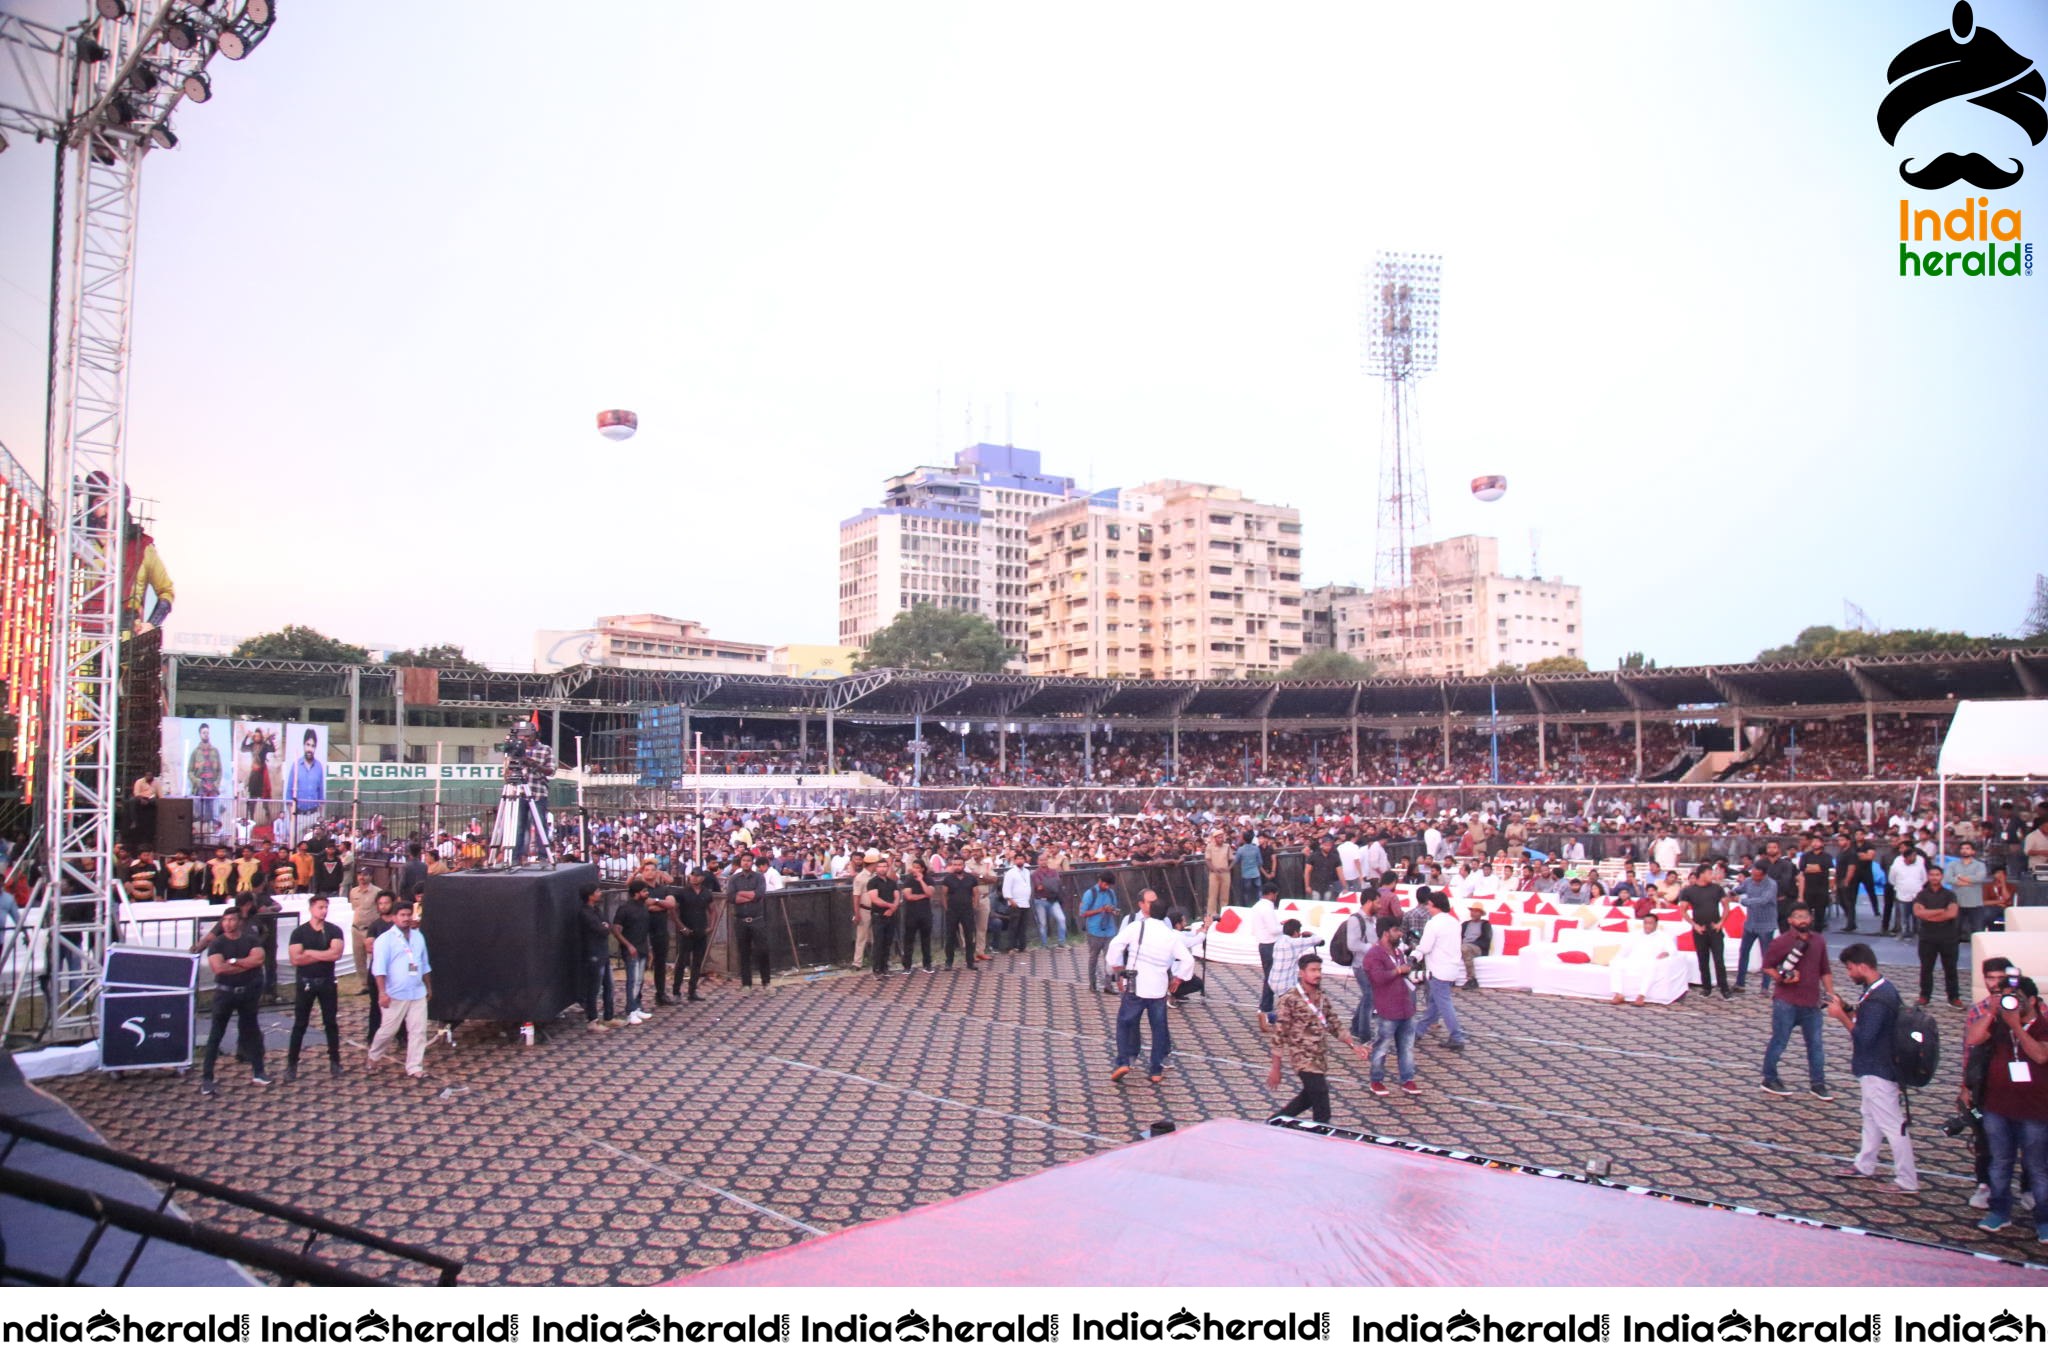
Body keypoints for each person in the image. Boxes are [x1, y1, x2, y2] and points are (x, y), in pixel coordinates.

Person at [1826, 942, 1919, 1192]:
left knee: (1891, 1123)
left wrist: (1841, 1016)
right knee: (1871, 1118)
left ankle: (1907, 1179)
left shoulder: (1879, 998)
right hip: (1875, 1066)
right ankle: (1865, 1164)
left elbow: (1864, 1036)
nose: (1849, 974)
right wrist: (1847, 1008)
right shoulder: (1879, 990)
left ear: (1862, 966)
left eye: (1850, 969)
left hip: (1879, 1067)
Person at [1969, 976, 2048, 1238]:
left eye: (2016, 997)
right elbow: (1974, 1038)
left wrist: (2018, 1027)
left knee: (2037, 1168)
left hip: (2035, 1111)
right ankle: (2000, 1212)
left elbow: (2040, 1055)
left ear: (2033, 1000)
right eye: (2006, 997)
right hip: (1997, 1107)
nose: (2011, 1002)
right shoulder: (1999, 1022)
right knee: (2000, 1163)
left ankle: (2044, 1221)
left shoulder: (2043, 1026)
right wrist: (1993, 1013)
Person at [1104, 897, 1195, 1085]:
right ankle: (1156, 1070)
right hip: (1159, 989)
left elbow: (1115, 945)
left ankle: (1123, 1061)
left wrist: (1118, 969)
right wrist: (1178, 979)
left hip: (1136, 986)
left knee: (1125, 1023)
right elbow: (1188, 960)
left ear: (1148, 911)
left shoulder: (1137, 927)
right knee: (1159, 1028)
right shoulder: (1170, 935)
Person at [1270, 955, 1371, 1124]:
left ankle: (1274, 1122)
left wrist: (1354, 1046)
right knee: (1321, 1101)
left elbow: (1333, 1023)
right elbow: (1279, 1035)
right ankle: (1321, 1134)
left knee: (1309, 1097)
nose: (1318, 974)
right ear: (1302, 973)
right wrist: (1275, 1068)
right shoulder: (1290, 999)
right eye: (1313, 970)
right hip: (1303, 1058)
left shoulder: (1321, 997)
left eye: (1319, 970)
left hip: (1319, 1057)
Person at [1761, 906, 1833, 1099]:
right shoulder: (1781, 942)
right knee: (1780, 1041)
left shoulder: (1819, 940)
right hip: (1786, 1002)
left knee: (1816, 1044)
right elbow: (1767, 966)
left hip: (1812, 1002)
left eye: (1805, 916)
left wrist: (1831, 993)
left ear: (1810, 919)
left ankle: (1818, 1083)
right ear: (1790, 921)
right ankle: (1769, 1078)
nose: (1802, 920)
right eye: (1797, 917)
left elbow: (1825, 969)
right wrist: (1781, 978)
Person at [198, 906, 270, 1096]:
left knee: (252, 1031)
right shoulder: (217, 944)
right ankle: (207, 1077)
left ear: (239, 922)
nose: (228, 924)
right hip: (225, 993)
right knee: (216, 1034)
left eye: (231, 920)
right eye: (225, 920)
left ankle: (259, 1071)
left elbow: (257, 960)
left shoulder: (250, 939)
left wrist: (232, 962)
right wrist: (242, 964)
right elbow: (218, 968)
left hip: (247, 993)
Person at [366, 899, 433, 1078]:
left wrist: (428, 986)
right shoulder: (385, 940)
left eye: (408, 914)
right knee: (388, 1030)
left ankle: (414, 1067)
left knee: (418, 1030)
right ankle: (374, 1055)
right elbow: (378, 969)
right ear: (394, 918)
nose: (405, 918)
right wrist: (382, 992)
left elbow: (424, 963)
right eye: (402, 915)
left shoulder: (418, 936)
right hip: (395, 992)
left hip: (417, 991)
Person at [284, 894, 345, 1082]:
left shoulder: (334, 930)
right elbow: (296, 959)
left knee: (331, 1023)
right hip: (306, 982)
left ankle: (335, 1060)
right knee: (300, 1024)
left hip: (327, 981)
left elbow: (336, 954)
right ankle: (291, 1064)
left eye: (326, 907)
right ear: (311, 908)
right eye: (320, 907)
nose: (324, 911)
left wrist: (310, 953)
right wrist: (323, 954)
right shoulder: (299, 932)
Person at [1363, 917, 1419, 1096]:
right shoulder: (1374, 955)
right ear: (1386, 933)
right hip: (1387, 1009)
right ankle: (1376, 1080)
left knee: (1407, 1046)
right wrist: (1397, 971)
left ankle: (1407, 1079)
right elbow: (1378, 978)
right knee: (1382, 1046)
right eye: (1397, 930)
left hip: (1405, 1006)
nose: (1401, 934)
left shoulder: (1398, 953)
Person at [1412, 891, 1469, 1051]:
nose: (1428, 908)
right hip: (1451, 968)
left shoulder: (1433, 923)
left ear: (1435, 906)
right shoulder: (1454, 922)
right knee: (1435, 1004)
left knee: (1443, 1003)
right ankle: (1418, 1031)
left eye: (1429, 905)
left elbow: (1425, 947)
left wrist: (1413, 955)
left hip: (1438, 969)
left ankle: (1456, 1036)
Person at [1911, 864, 1963, 1007]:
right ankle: (1924, 996)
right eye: (1932, 875)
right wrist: (1941, 911)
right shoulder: (1922, 894)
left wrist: (1929, 914)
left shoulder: (1950, 894)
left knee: (1950, 968)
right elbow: (1918, 913)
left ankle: (1954, 997)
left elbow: (1952, 913)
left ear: (1942, 877)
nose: (1934, 877)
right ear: (1928, 877)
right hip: (1927, 937)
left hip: (1948, 937)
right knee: (1926, 968)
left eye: (1937, 875)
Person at [1679, 865, 1730, 999]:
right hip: (1699, 929)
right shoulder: (1688, 891)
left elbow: (1726, 906)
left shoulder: (1717, 889)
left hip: (1715, 928)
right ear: (1701, 874)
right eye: (1709, 873)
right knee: (1703, 959)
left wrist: (1721, 922)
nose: (1711, 875)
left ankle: (1724, 987)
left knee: (1719, 959)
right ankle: (1706, 987)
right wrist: (1694, 925)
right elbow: (1683, 910)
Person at [1733, 860, 1780, 992]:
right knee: (1743, 952)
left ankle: (1765, 986)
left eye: (1756, 872)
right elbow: (1738, 890)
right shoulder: (1748, 881)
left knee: (1766, 956)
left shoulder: (1771, 885)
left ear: (1763, 874)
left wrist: (1742, 901)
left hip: (1766, 925)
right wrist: (1730, 893)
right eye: (1752, 871)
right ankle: (1740, 983)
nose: (1753, 874)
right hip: (1750, 924)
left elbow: (1763, 900)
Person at [726, 850, 771, 988]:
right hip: (740, 920)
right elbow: (732, 898)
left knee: (762, 951)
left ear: (752, 862)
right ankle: (746, 984)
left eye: (749, 860)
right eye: (744, 860)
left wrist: (742, 893)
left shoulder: (759, 877)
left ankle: (766, 982)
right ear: (741, 862)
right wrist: (748, 895)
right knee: (744, 953)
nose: (746, 863)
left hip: (757, 919)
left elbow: (758, 895)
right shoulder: (734, 878)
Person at [358, 890, 397, 1042]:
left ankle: (401, 1035)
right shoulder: (375, 925)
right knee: (375, 1004)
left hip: (395, 971)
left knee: (399, 1004)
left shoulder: (397, 924)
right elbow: (369, 947)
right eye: (380, 903)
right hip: (377, 970)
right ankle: (373, 1035)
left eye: (386, 902)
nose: (383, 906)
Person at [1264, 919, 1320, 1025]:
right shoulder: (1294, 943)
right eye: (1298, 932)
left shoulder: (1279, 941)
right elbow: (1318, 940)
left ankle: (1271, 1018)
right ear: (1295, 932)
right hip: (1286, 984)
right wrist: (1311, 934)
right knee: (1299, 1006)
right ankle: (1270, 1017)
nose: (1299, 934)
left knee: (1289, 1007)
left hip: (1273, 980)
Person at [576, 884, 617, 1029]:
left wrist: (605, 926)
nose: (600, 893)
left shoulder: (596, 910)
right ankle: (592, 1020)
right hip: (594, 953)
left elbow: (607, 925)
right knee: (594, 988)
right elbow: (601, 929)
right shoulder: (585, 913)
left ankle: (608, 1016)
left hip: (603, 952)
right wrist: (604, 927)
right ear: (590, 895)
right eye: (597, 891)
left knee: (609, 985)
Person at [612, 880, 652, 1021]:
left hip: (642, 947)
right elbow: (616, 930)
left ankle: (636, 1006)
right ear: (636, 893)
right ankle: (630, 1010)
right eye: (644, 891)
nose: (647, 893)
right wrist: (628, 945)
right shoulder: (625, 909)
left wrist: (649, 949)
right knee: (632, 979)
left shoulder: (643, 907)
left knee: (639, 979)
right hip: (631, 949)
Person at [672, 867, 714, 1000]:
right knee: (682, 961)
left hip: (700, 930)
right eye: (692, 875)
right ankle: (676, 991)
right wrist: (681, 927)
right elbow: (673, 911)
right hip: (686, 931)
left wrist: (711, 926)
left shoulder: (706, 893)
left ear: (702, 878)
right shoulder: (683, 892)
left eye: (697, 876)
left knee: (697, 962)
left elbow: (713, 910)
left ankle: (692, 991)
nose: (694, 878)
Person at [1079, 872, 1120, 992]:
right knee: (1093, 958)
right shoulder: (1090, 893)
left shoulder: (1111, 893)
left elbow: (1115, 908)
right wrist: (1101, 910)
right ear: (1100, 881)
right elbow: (1083, 913)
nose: (1107, 887)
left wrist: (1112, 910)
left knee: (1110, 959)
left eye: (1109, 886)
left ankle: (1108, 985)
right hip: (1094, 930)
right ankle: (1092, 984)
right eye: (1106, 885)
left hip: (1109, 930)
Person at [1248, 883, 1283, 1023]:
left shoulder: (1256, 906)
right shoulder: (1267, 908)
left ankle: (1265, 1007)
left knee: (1270, 977)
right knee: (1271, 978)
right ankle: (1265, 1008)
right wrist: (1284, 926)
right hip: (1270, 945)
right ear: (1272, 894)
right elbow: (1274, 929)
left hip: (1263, 944)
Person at [939, 860, 981, 971]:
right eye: (955, 865)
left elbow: (976, 893)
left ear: (963, 865)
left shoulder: (971, 878)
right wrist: (947, 908)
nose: (957, 867)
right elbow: (943, 895)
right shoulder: (948, 879)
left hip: (967, 911)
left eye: (959, 865)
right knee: (950, 937)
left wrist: (975, 906)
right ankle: (949, 962)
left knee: (969, 936)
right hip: (952, 911)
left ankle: (970, 961)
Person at [346, 867, 381, 989]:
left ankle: (375, 983)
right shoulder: (353, 891)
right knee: (359, 957)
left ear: (370, 876)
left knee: (374, 957)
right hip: (356, 928)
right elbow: (355, 908)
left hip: (370, 930)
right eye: (359, 874)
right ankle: (364, 984)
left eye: (365, 875)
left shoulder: (377, 892)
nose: (362, 877)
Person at [866, 857, 901, 978]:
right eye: (880, 866)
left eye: (885, 866)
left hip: (891, 916)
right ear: (876, 868)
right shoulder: (873, 882)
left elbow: (897, 896)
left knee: (888, 942)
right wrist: (889, 906)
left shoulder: (892, 882)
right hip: (878, 916)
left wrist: (892, 908)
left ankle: (884, 967)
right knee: (878, 942)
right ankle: (876, 969)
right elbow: (875, 899)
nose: (882, 869)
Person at [899, 859, 935, 974]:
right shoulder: (908, 880)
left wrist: (921, 881)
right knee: (908, 940)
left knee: (926, 940)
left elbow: (930, 893)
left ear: (923, 869)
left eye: (918, 867)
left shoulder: (928, 879)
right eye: (913, 867)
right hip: (911, 913)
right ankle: (907, 966)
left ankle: (927, 964)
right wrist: (923, 895)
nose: (915, 870)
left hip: (925, 913)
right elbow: (908, 896)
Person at [1888, 844, 1928, 939]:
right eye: (1912, 856)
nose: (1914, 858)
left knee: (1918, 916)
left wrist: (1917, 887)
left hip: (1917, 894)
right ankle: (1904, 932)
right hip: (1902, 894)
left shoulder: (1920, 864)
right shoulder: (1896, 866)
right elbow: (1891, 879)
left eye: (1915, 855)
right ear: (1906, 857)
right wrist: (1900, 886)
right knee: (1903, 916)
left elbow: (1924, 878)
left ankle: (1918, 933)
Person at [1952, 840, 1990, 938]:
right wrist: (1969, 881)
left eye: (1967, 848)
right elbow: (1948, 878)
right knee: (1954, 930)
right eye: (1962, 848)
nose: (1964, 851)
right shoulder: (1953, 865)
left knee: (1978, 930)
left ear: (1973, 852)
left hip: (1975, 902)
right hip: (1958, 901)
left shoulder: (1980, 865)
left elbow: (1979, 878)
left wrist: (1961, 877)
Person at [999, 851, 1034, 955]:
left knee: (1023, 926)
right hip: (1015, 902)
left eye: (1022, 859)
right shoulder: (1010, 873)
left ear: (1024, 860)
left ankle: (1022, 946)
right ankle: (1011, 947)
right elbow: (1006, 888)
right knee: (1013, 925)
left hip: (1025, 902)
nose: (1020, 861)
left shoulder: (1027, 872)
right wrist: (1010, 900)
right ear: (1014, 861)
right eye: (1018, 859)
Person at [1458, 902, 1492, 989]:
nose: (1473, 913)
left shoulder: (1485, 925)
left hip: (1478, 947)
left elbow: (1486, 940)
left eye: (1476, 911)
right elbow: (1458, 936)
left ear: (1481, 914)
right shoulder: (1465, 924)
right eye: (1472, 911)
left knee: (1464, 948)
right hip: (1463, 946)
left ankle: (1472, 979)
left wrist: (1470, 944)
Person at [1205, 829, 1233, 918]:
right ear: (1215, 838)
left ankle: (1224, 913)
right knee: (1212, 895)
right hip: (1214, 873)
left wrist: (1229, 868)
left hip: (1225, 873)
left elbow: (1232, 859)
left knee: (1225, 895)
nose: (1221, 839)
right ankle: (1211, 914)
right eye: (1219, 837)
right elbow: (1207, 860)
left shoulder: (1227, 846)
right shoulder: (1209, 847)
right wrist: (1214, 869)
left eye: (1222, 837)